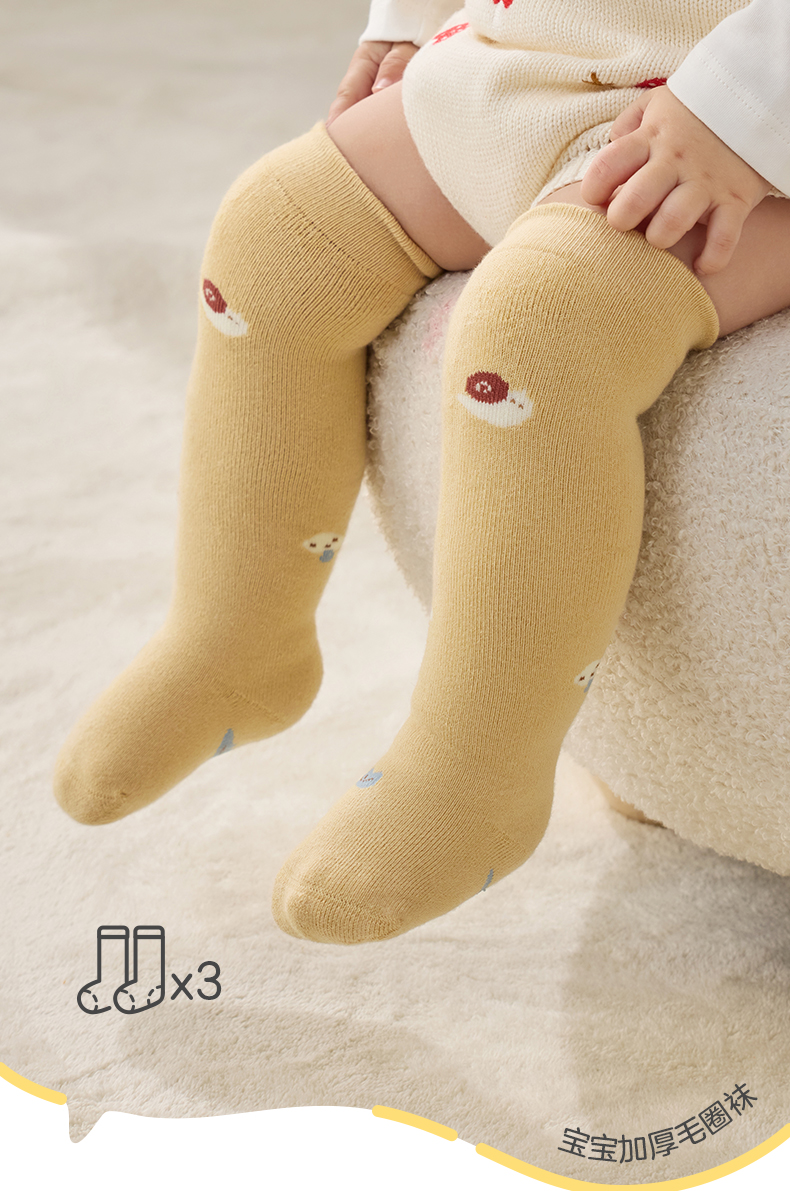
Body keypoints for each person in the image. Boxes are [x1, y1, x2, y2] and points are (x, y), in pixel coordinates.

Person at [54, 0, 790, 944]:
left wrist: (744, 102)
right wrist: (412, 17)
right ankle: (233, 635)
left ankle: (476, 774)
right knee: (278, 237)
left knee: (544, 329)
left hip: (750, 138)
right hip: (554, 49)